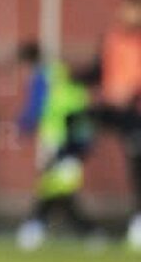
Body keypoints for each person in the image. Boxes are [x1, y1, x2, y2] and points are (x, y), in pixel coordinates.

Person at [14, 42, 98, 250]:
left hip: (65, 143)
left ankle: (37, 227)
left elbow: (36, 108)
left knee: (54, 188)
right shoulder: (60, 74)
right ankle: (85, 232)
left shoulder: (42, 78)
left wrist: (21, 127)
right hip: (75, 142)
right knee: (56, 188)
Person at [77, 0, 141, 249]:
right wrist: (72, 78)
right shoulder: (112, 38)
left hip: (135, 113)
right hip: (110, 108)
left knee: (137, 167)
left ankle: (138, 221)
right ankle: (50, 210)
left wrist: (132, 92)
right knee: (73, 139)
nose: (127, 13)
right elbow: (99, 71)